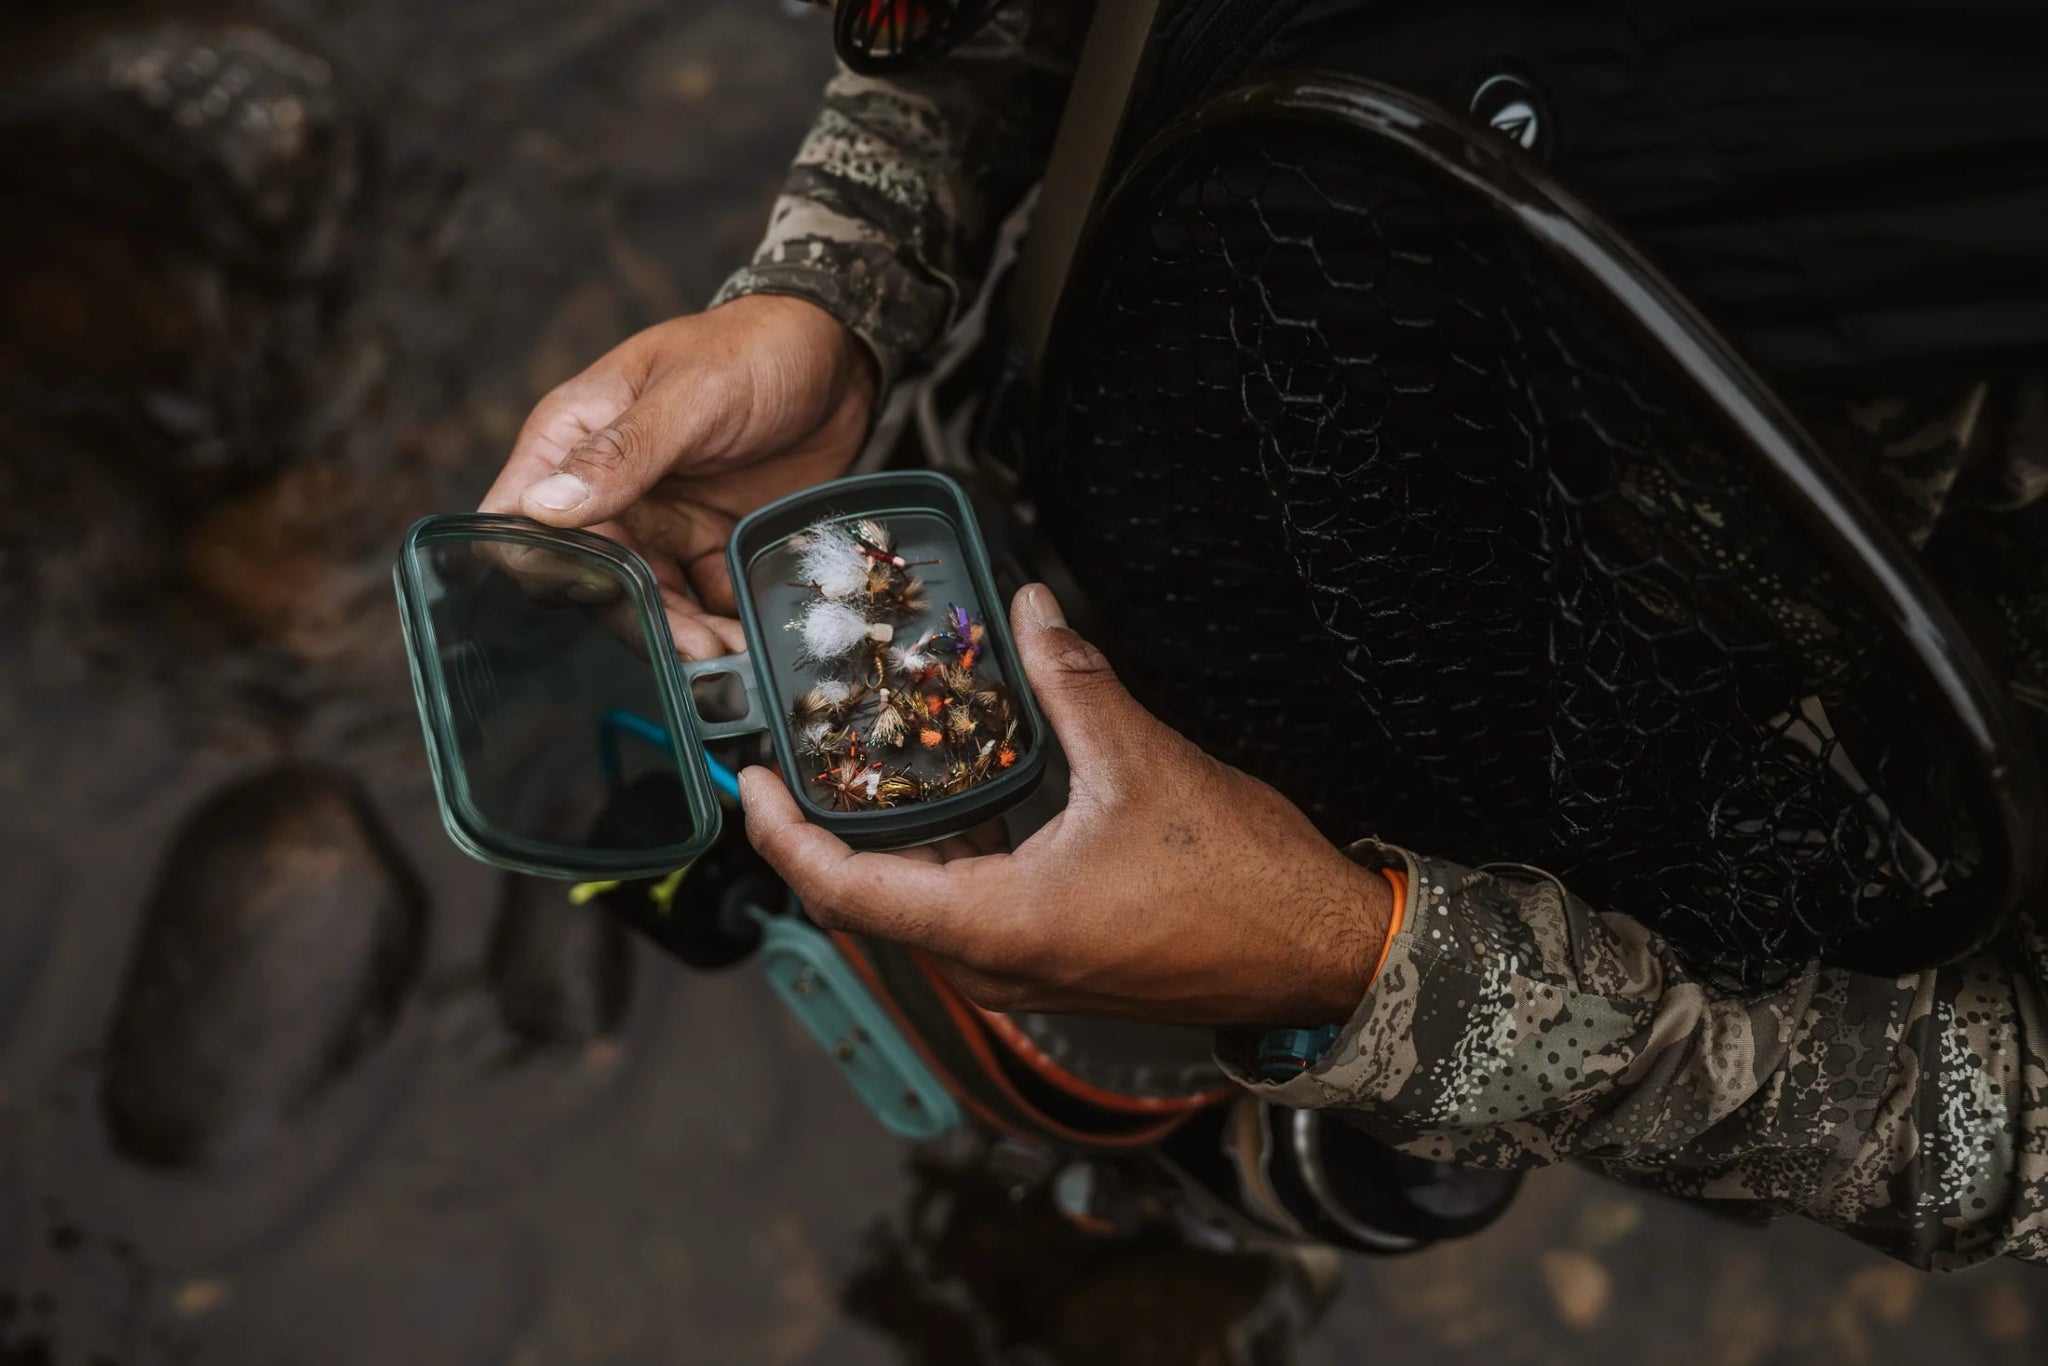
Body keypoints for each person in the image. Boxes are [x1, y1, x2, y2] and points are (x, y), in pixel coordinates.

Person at [478, 1, 2048, 1269]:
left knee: (1338, 1126)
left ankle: (1253, 1138)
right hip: (1024, 507)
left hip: (1498, 869)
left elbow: (2018, 1125)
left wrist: (1377, 973)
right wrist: (834, 288)